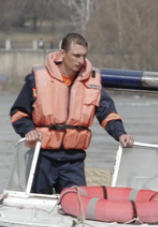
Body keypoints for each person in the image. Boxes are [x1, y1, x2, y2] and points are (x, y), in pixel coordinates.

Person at [10, 32, 134, 194]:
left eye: (84, 56)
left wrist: (121, 134)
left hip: (73, 160)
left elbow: (108, 114)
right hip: (42, 157)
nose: (81, 61)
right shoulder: (37, 79)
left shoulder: (93, 83)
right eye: (76, 56)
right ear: (62, 54)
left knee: (77, 204)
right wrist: (28, 130)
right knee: (37, 203)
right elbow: (18, 112)